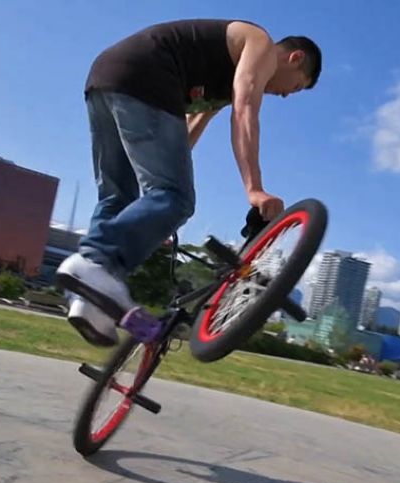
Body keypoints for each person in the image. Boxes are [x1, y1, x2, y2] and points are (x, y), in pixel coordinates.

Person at [56, 18, 322, 347]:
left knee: (119, 199)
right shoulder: (261, 45)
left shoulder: (221, 77)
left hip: (106, 79)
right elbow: (245, 110)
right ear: (294, 59)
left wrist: (158, 214)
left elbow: (185, 133)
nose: (283, 95)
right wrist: (253, 188)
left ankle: (88, 298)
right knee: (177, 197)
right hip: (146, 78)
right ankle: (93, 262)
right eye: (294, 87)